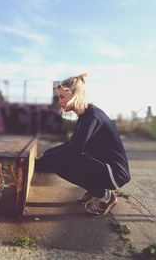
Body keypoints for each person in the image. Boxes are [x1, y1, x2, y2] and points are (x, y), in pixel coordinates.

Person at [35, 73, 130, 217]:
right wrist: (47, 154)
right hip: (106, 166)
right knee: (55, 158)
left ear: (75, 95)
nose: (59, 102)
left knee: (59, 162)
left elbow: (74, 150)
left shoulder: (92, 117)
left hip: (114, 173)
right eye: (58, 97)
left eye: (62, 97)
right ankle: (94, 190)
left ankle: (105, 196)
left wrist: (46, 160)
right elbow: (73, 144)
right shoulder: (85, 116)